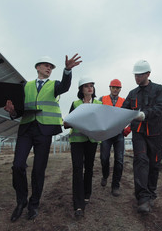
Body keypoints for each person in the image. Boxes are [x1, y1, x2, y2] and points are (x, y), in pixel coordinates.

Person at [4, 54, 82, 222]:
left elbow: (66, 86)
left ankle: (34, 205)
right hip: (26, 128)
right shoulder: (26, 86)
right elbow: (18, 110)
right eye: (46, 65)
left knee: (38, 170)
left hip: (44, 131)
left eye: (51, 67)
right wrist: (12, 112)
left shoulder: (55, 85)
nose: (49, 68)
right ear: (37, 67)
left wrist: (67, 70)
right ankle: (21, 201)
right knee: (18, 166)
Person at [121, 60, 162, 214]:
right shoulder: (133, 94)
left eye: (140, 75)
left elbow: (159, 108)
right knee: (140, 161)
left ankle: (151, 193)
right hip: (138, 133)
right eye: (135, 75)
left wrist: (144, 114)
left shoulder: (159, 90)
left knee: (154, 165)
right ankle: (143, 198)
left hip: (155, 134)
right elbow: (123, 110)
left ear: (148, 74)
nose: (137, 78)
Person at [65, 77, 102, 219]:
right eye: (86, 86)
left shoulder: (98, 103)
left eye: (91, 85)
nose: (89, 88)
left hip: (91, 141)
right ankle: (78, 204)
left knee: (89, 168)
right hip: (77, 140)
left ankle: (87, 194)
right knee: (77, 169)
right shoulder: (75, 103)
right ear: (81, 89)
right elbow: (68, 121)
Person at [98, 79, 130, 197]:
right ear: (110, 88)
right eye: (113, 87)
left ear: (120, 89)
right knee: (104, 158)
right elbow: (96, 114)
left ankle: (115, 186)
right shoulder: (102, 99)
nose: (115, 89)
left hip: (119, 134)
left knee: (119, 160)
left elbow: (131, 115)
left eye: (118, 88)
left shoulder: (124, 101)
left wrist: (128, 129)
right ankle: (105, 175)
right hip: (106, 134)